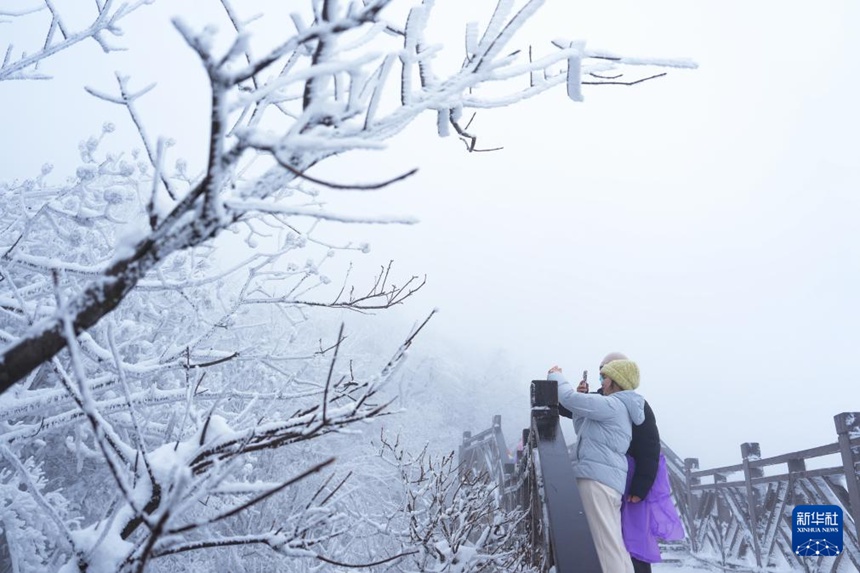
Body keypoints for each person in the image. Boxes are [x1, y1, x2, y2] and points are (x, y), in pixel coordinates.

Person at [574, 352, 682, 572]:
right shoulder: (603, 399)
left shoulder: (636, 405)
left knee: (634, 535)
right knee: (610, 533)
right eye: (600, 373)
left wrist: (641, 487)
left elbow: (650, 447)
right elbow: (575, 408)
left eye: (605, 373)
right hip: (611, 476)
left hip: (631, 480)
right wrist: (580, 395)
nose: (602, 378)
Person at [548, 359, 644, 573]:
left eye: (603, 377)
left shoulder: (612, 405)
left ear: (615, 380)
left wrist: (555, 375)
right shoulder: (620, 408)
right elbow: (582, 427)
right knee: (613, 544)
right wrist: (582, 400)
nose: (601, 381)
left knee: (605, 547)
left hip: (597, 481)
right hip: (605, 481)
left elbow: (568, 399)